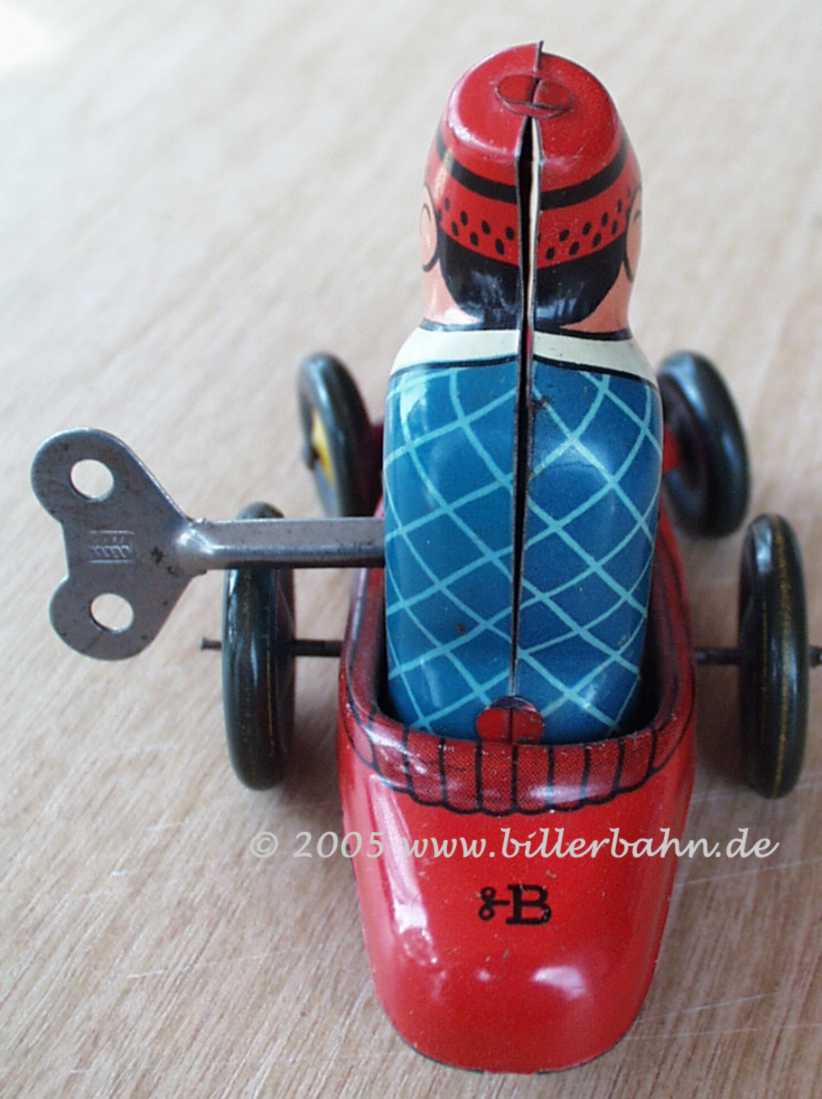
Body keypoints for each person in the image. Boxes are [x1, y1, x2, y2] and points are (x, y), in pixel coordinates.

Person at [383, 43, 662, 743]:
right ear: (627, 238)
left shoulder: (414, 399)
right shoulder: (633, 412)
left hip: (423, 699)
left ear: (432, 229)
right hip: (602, 704)